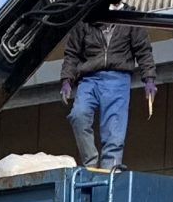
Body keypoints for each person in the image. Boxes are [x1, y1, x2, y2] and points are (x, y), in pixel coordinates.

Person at [58, 18, 157, 170]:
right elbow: (72, 53)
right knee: (78, 115)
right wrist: (66, 80)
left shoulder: (129, 19)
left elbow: (143, 50)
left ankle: (110, 170)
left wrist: (149, 79)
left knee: (114, 130)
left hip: (118, 79)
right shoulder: (86, 20)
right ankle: (90, 162)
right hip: (89, 78)